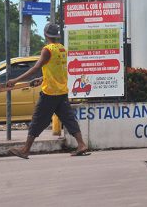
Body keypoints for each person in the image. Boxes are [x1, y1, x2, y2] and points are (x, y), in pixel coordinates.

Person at [7, 23, 89, 159]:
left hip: (50, 93)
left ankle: (25, 150)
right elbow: (55, 69)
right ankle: (81, 144)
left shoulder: (47, 50)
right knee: (69, 119)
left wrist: (15, 80)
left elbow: (35, 67)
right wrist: (42, 78)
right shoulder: (62, 49)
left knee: (37, 120)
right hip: (61, 91)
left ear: (46, 35)